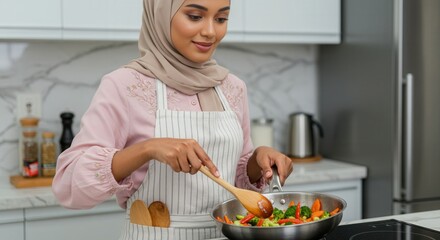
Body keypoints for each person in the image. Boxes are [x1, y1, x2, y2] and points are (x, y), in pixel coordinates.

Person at [52, 0, 293, 239]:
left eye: (220, 19)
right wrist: (148, 148)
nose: (210, 31)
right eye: (195, 16)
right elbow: (68, 188)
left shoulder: (233, 88)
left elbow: (236, 179)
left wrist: (257, 161)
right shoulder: (123, 85)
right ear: (161, 13)